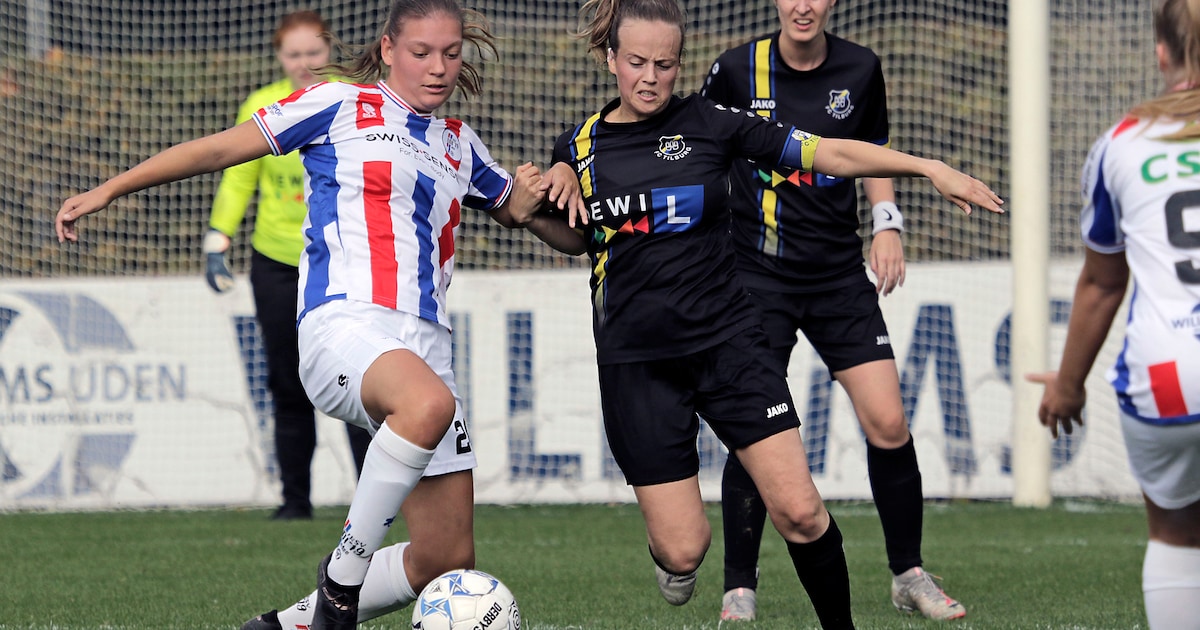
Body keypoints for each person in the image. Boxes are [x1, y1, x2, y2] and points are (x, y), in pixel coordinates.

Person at [54, 1, 581, 629]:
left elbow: (561, 233)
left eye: (450, 52)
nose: (438, 67)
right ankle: (339, 587)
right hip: (346, 325)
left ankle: (289, 624)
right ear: (388, 49)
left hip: (427, 350)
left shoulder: (460, 144)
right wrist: (110, 188)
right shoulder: (336, 103)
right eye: (421, 52)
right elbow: (219, 149)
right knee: (427, 406)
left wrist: (559, 182)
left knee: (447, 557)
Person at [516, 0, 1002, 627]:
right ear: (610, 59)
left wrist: (928, 167)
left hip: (730, 347)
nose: (649, 77)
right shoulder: (578, 146)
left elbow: (831, 153)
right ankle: (680, 557)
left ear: (679, 64)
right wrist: (529, 213)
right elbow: (580, 238)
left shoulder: (716, 123)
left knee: (800, 510)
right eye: (635, 61)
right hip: (638, 364)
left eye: (664, 64)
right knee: (683, 549)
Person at [697, 0, 964, 621]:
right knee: (756, 427)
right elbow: (708, 148)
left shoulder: (861, 68)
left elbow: (871, 152)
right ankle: (740, 583)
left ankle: (908, 574)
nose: (803, 5)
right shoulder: (738, 70)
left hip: (837, 275)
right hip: (756, 274)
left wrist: (887, 223)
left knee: (889, 423)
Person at [1025, 0, 1200, 627]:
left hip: (1166, 374)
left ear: (1161, 52)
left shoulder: (1121, 143)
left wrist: (1067, 388)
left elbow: (1103, 284)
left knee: (1176, 534)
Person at [204, 9, 373, 521]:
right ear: (280, 57)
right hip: (276, 263)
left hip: (343, 263)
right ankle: (294, 501)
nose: (304, 64)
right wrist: (218, 239)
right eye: (294, 55)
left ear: (330, 51)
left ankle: (375, 505)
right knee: (287, 379)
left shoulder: (355, 99)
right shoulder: (262, 104)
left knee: (359, 380)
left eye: (314, 53)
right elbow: (238, 178)